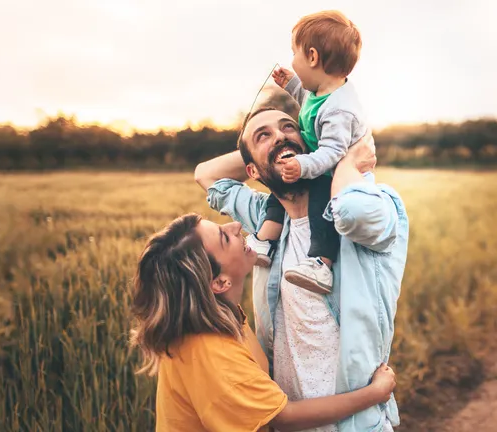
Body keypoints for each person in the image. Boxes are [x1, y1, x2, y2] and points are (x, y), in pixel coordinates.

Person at [194, 107, 409, 431]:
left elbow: (353, 211)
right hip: (291, 422)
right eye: (264, 134)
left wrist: (339, 156)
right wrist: (267, 152)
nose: (280, 135)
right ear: (251, 170)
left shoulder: (372, 208)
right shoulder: (266, 222)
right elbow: (205, 174)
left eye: (288, 127)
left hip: (354, 424)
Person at [129, 213, 397, 431]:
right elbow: (284, 416)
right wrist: (374, 394)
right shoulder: (213, 353)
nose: (235, 225)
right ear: (220, 282)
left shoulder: (221, 317)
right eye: (224, 237)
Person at [247, 10, 366, 296]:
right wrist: (291, 84)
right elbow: (309, 101)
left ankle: (321, 263)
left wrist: (303, 165)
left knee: (321, 207)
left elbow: (333, 151)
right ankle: (265, 241)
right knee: (280, 190)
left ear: (312, 57)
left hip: (336, 174)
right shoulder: (322, 91)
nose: (292, 60)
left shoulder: (340, 109)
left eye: (294, 54)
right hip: (318, 162)